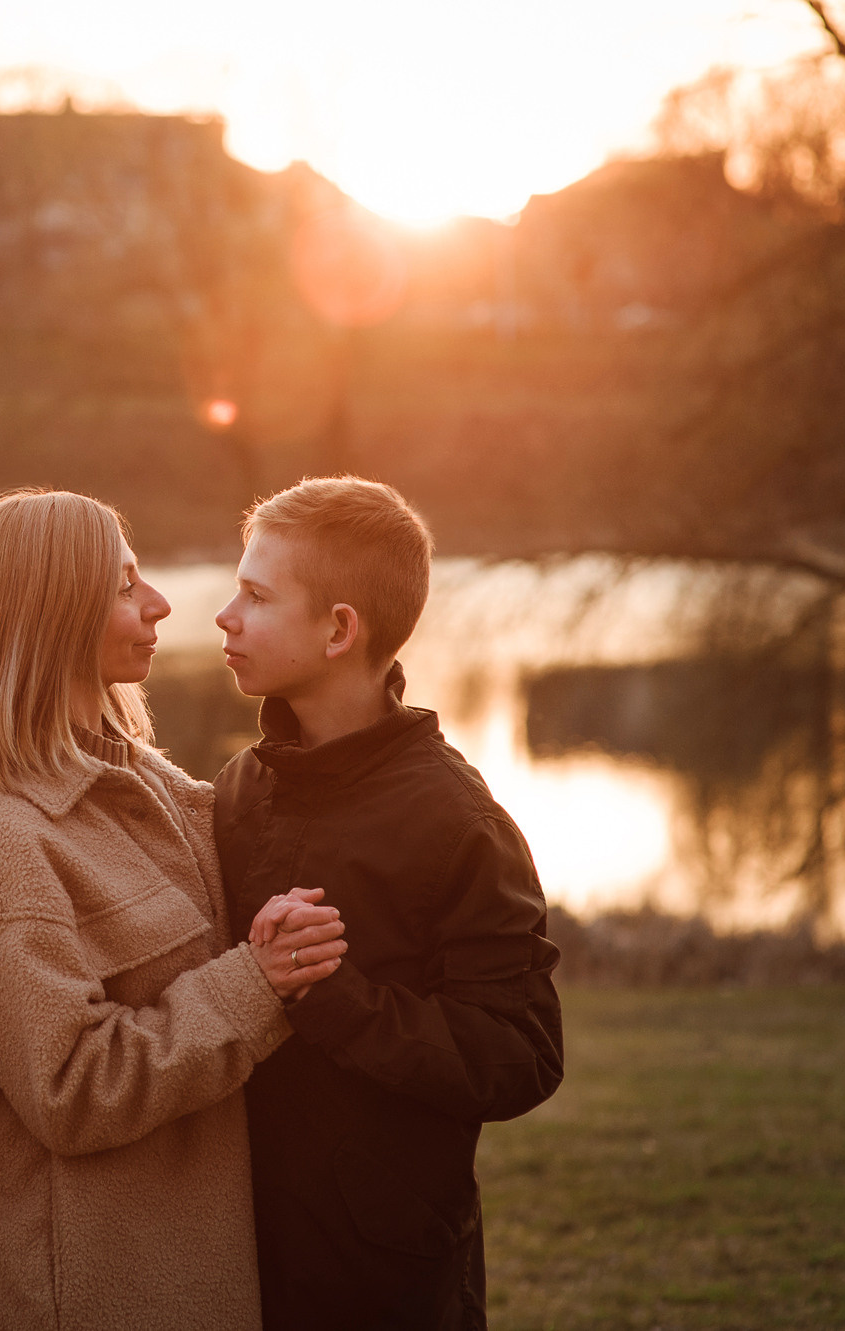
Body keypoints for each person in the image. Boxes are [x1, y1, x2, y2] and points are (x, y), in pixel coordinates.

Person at [0, 488, 347, 1331]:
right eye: (126, 587)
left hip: (194, 1267)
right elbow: (67, 1086)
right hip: (84, 1296)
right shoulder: (5, 837)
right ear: (52, 615)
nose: (158, 604)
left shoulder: (157, 787)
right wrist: (255, 984)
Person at [212, 476, 566, 1330]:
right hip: (228, 1257)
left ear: (340, 629)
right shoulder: (239, 786)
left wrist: (335, 1001)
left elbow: (521, 1052)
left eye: (257, 596)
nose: (225, 614)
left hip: (385, 1276)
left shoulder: (458, 822)